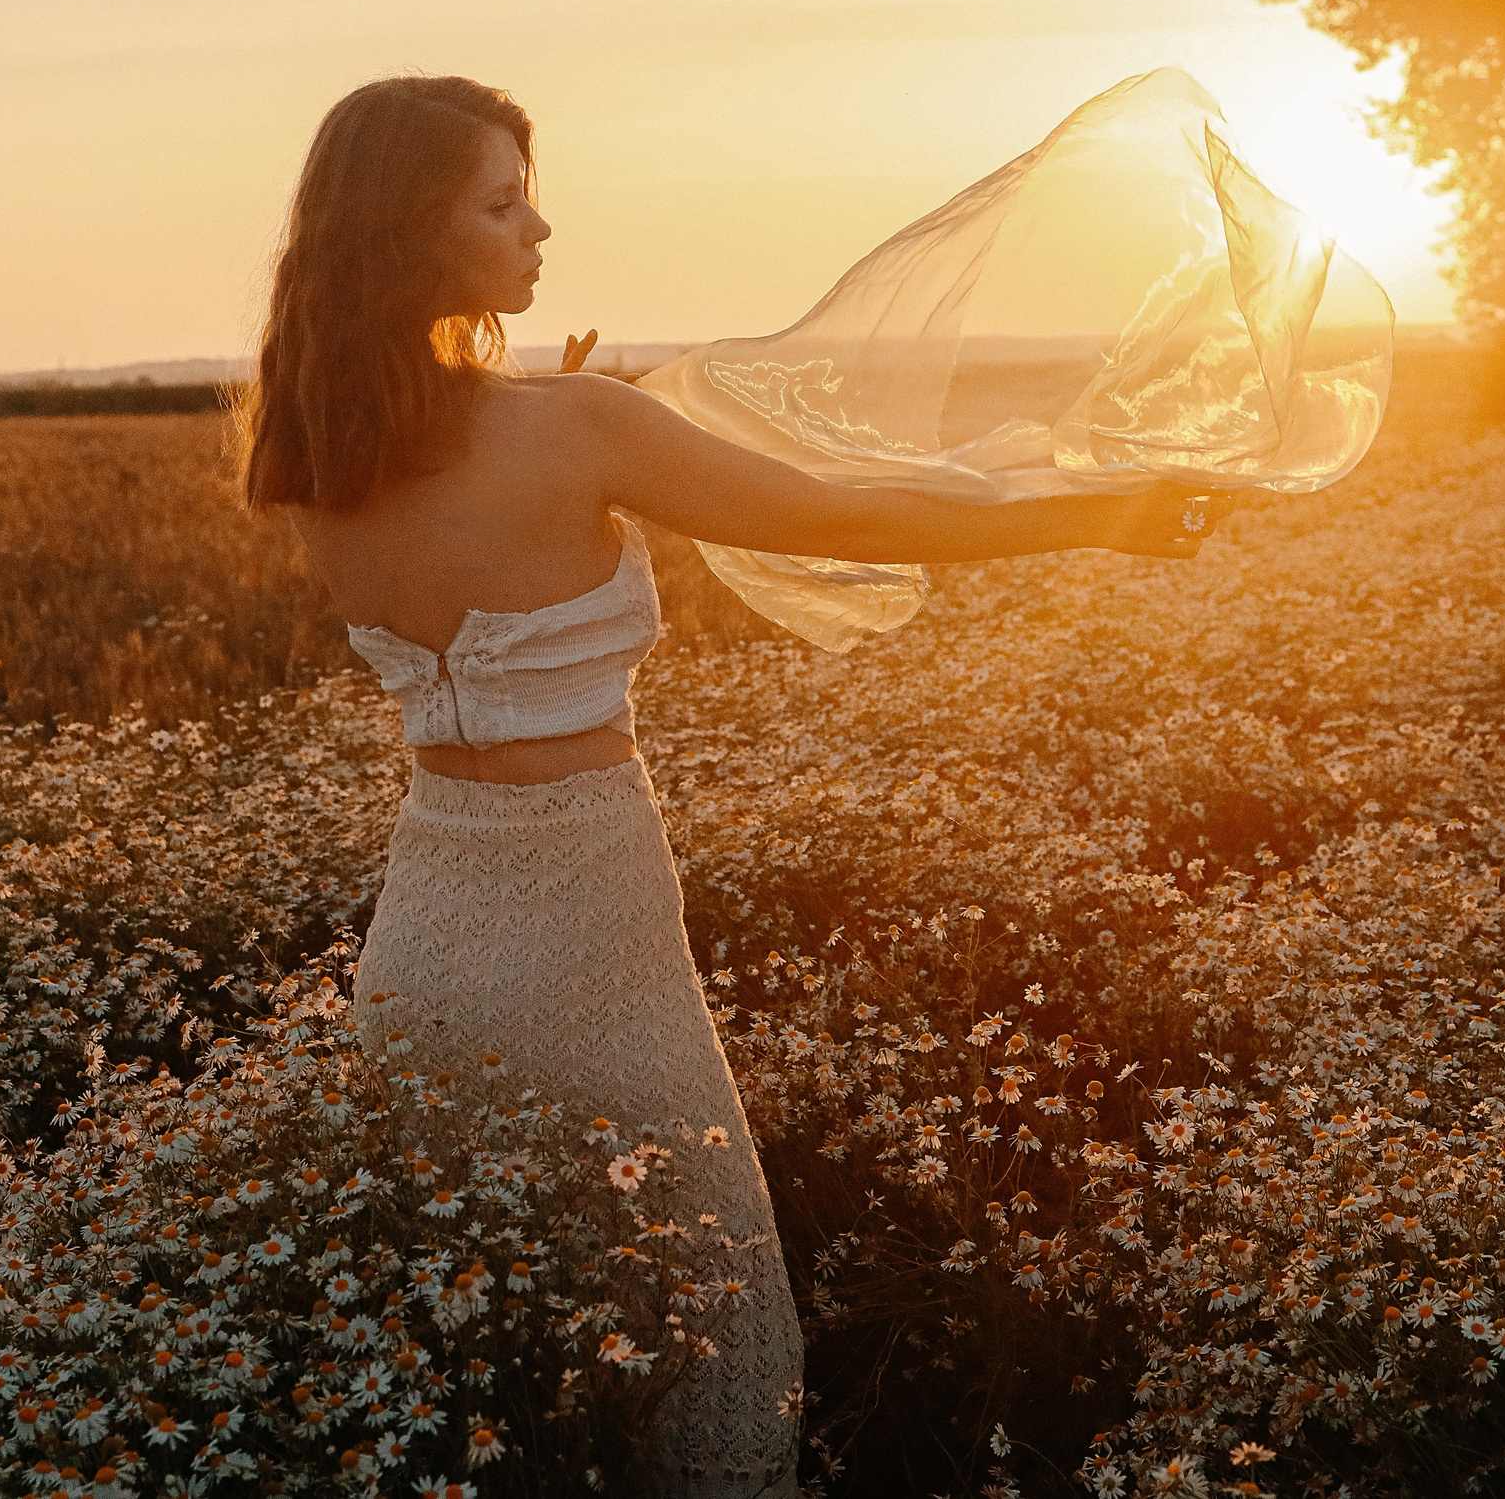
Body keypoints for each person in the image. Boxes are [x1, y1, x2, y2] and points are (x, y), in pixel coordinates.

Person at [237, 74, 1220, 1498]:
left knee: (492, 1326)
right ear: (407, 233)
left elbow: (475, 517)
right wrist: (1101, 512)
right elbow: (844, 510)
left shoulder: (310, 450)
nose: (540, 225)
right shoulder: (571, 425)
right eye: (503, 202)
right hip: (589, 926)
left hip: (425, 938)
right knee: (705, 1307)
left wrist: (555, 407)